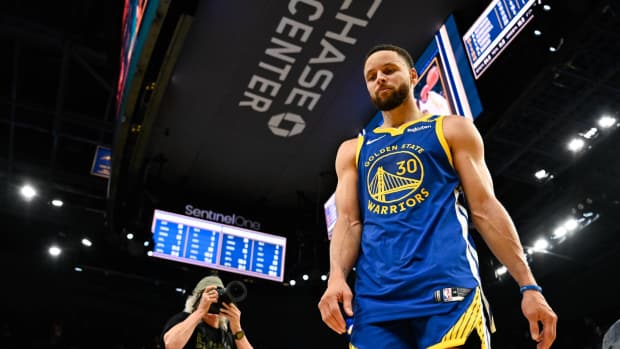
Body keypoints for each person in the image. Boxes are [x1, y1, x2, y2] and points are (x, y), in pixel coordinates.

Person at [317, 44, 558, 349]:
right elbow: (348, 222)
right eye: (371, 76)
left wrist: (529, 285)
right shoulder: (352, 150)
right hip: (375, 300)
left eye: (389, 70)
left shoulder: (452, 129)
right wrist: (335, 278)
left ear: (413, 75)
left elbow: (485, 209)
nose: (379, 78)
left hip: (446, 288)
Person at [161, 275, 253, 349]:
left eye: (217, 300)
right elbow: (171, 345)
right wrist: (200, 311)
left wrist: (237, 329)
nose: (212, 303)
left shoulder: (228, 335)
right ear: (196, 302)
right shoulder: (183, 320)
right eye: (208, 298)